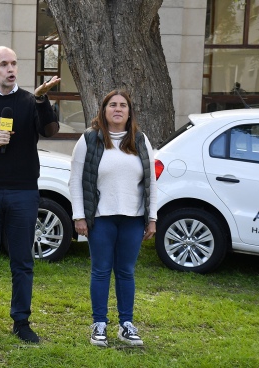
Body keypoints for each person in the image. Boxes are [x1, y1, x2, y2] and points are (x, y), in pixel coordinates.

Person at [0, 46, 60, 343]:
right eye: (4, 64)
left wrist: (42, 99)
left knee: (22, 261)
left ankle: (21, 321)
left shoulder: (32, 100)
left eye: (14, 63)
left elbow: (51, 130)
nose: (10, 68)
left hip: (23, 191)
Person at [68, 89, 157, 347]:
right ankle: (99, 325)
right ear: (104, 110)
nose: (117, 109)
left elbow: (151, 180)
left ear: (129, 112)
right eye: (112, 105)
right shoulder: (89, 140)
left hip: (132, 217)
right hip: (101, 218)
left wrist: (152, 218)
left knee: (126, 272)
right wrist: (79, 216)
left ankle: (126, 325)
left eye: (123, 105)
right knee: (101, 271)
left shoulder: (140, 140)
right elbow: (76, 180)